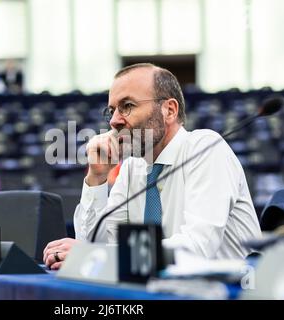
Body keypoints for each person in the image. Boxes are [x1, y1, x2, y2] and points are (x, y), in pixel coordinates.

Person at [43, 63, 262, 270]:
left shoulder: (206, 148)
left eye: (127, 106)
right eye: (112, 111)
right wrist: (97, 177)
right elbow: (95, 243)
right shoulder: (131, 168)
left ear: (169, 110)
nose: (114, 121)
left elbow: (196, 248)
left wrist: (99, 254)